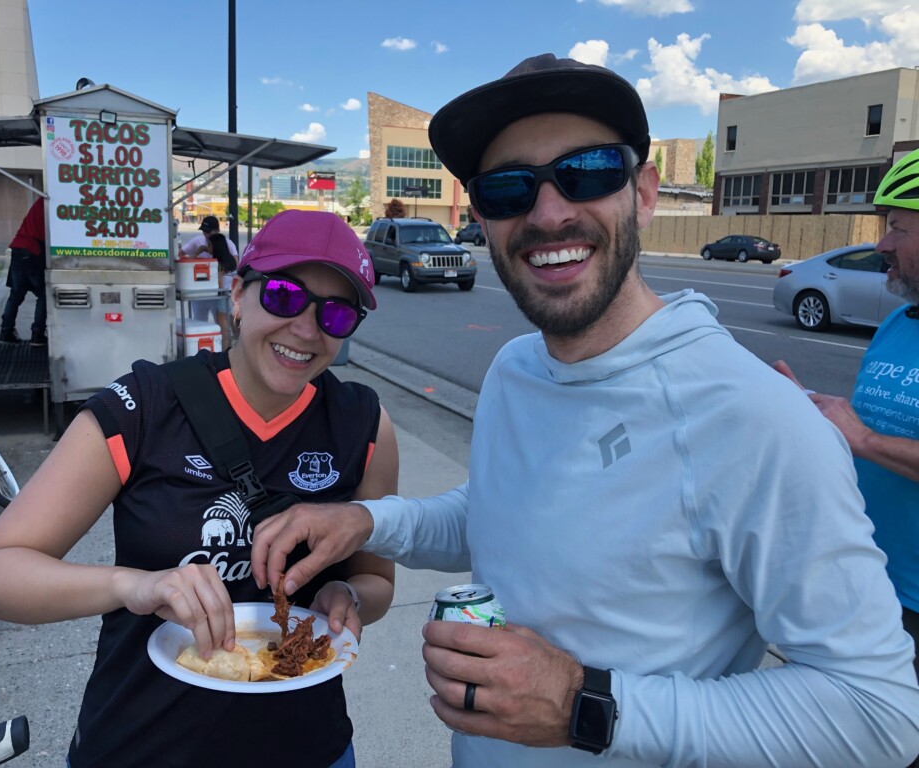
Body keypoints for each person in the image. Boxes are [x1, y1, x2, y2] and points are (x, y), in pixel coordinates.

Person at [250, 54, 919, 767]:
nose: (548, 213)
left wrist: (583, 705)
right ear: (482, 220)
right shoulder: (515, 369)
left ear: (645, 193)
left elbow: (879, 714)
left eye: (589, 171)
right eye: (508, 188)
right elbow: (504, 517)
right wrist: (368, 522)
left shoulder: (755, 416)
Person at [0, 210, 398, 767]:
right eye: (284, 296)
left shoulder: (363, 425)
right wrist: (132, 585)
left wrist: (349, 597)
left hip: (309, 747)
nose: (307, 330)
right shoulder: (144, 406)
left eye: (336, 313)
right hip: (144, 745)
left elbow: (376, 580)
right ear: (237, 294)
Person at [777, 146, 919, 683]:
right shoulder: (899, 323)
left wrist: (864, 440)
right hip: (868, 578)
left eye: (897, 228)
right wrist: (808, 406)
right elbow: (868, 426)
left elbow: (867, 438)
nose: (881, 244)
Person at [178, 215, 238, 338]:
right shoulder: (197, 241)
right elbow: (181, 255)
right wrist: (196, 253)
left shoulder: (226, 244)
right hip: (201, 291)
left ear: (218, 231)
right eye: (204, 231)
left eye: (209, 231)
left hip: (220, 292)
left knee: (222, 323)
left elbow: (235, 264)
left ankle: (226, 344)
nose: (206, 235)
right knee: (200, 321)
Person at [0, 197, 47, 346]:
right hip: (33, 249)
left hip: (18, 247)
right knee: (44, 295)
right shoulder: (53, 201)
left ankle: (6, 332)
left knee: (16, 293)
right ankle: (38, 334)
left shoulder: (42, 200)